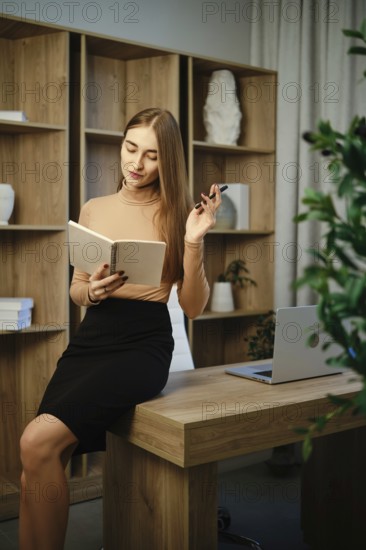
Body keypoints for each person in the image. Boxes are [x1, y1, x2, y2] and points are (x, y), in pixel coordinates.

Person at [19, 107, 223, 550]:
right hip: (93, 337)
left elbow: (191, 306)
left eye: (151, 155)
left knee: (37, 439)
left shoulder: (179, 214)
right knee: (37, 454)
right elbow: (76, 290)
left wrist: (193, 241)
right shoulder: (94, 208)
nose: (136, 163)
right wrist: (91, 292)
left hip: (143, 344)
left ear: (165, 160)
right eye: (131, 148)